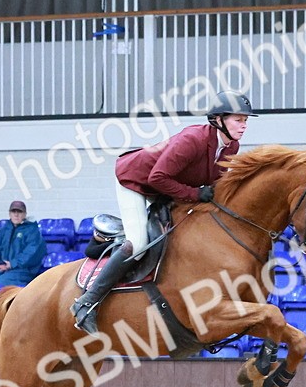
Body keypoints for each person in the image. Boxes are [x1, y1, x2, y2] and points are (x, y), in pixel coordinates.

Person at [70, 90, 257, 335]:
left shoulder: (231, 146)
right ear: (218, 119)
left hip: (167, 188)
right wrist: (194, 195)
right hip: (136, 182)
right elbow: (156, 177)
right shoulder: (193, 139)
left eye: (245, 120)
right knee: (137, 243)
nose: (243, 126)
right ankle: (87, 302)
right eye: (238, 120)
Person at [0, 200, 46, 287]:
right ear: (9, 214)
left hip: (22, 271)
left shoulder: (33, 232)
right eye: (13, 211)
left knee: (1, 281)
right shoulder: (2, 232)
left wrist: (12, 264)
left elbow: (32, 253)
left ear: (25, 214)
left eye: (19, 211)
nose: (16, 214)